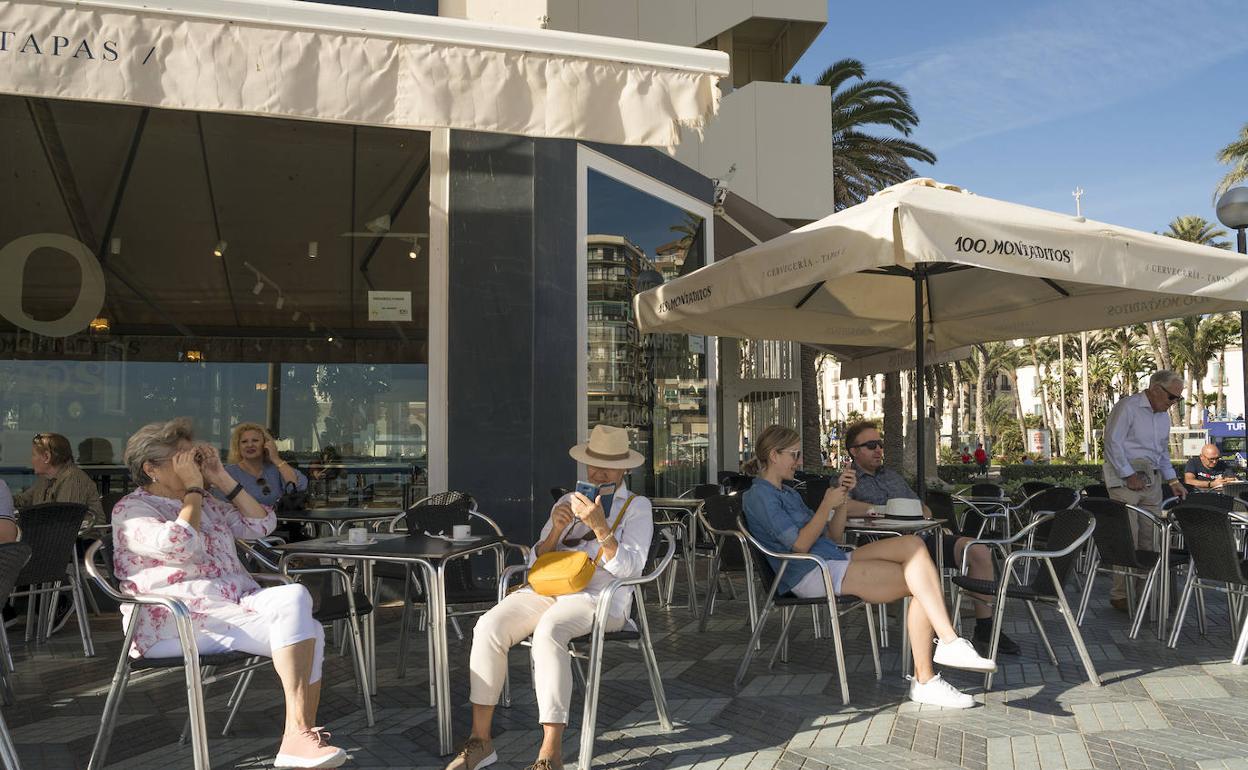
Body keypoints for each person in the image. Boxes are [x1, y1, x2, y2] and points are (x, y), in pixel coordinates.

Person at [112, 418, 346, 768]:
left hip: (231, 604)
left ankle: (297, 737)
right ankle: (299, 736)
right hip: (175, 620)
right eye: (183, 459)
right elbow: (180, 545)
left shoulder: (205, 500)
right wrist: (193, 490)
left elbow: (261, 524)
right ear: (152, 469)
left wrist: (220, 477)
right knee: (308, 631)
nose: (193, 465)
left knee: (295, 595)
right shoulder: (132, 509)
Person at [742, 424, 995, 710]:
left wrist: (841, 503)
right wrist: (826, 506)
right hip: (808, 571)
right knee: (921, 582)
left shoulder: (788, 493)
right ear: (774, 455)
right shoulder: (759, 496)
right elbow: (799, 546)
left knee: (913, 546)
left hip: (831, 557)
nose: (799, 461)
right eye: (794, 454)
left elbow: (834, 537)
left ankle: (947, 645)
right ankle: (929, 676)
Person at [447, 425, 653, 770]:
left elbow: (632, 569)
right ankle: (480, 741)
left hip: (602, 596)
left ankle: (549, 753)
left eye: (608, 464)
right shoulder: (567, 501)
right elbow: (536, 562)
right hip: (551, 588)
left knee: (549, 632)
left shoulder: (637, 506)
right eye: (593, 463)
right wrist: (558, 529)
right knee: (488, 626)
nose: (598, 471)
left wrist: (602, 528)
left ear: (625, 469)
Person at [840, 421, 1020, 656]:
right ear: (854, 451)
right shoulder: (847, 479)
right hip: (881, 546)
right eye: (871, 445)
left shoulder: (892, 477)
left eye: (880, 444)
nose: (878, 450)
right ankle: (940, 634)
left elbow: (924, 509)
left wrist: (917, 512)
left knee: (977, 550)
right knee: (923, 568)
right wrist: (880, 509)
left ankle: (985, 629)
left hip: (922, 538)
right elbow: (841, 506)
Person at [1103, 370, 1188, 611]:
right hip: (1125, 480)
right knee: (1127, 537)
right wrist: (1128, 474)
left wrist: (1173, 481)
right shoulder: (1128, 407)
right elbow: (1112, 442)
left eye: (1178, 399)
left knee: (1149, 540)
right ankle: (1121, 594)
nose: (1174, 404)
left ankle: (1142, 593)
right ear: (1156, 390)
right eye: (1173, 397)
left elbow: (1162, 453)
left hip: (1151, 480)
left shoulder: (1163, 417)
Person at [13, 432, 104, 526]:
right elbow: (23, 501)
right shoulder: (45, 478)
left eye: (34, 455)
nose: (31, 460)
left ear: (47, 457)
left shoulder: (72, 479)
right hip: (50, 535)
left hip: (82, 538)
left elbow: (63, 520)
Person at [225, 423, 308, 507]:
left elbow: (297, 488)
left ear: (266, 444)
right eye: (244, 442)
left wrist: (276, 459)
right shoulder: (229, 473)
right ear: (238, 446)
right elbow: (221, 507)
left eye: (255, 440)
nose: (250, 445)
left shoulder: (278, 469)